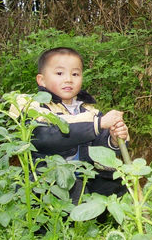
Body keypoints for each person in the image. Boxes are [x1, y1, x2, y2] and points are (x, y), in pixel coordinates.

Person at [10, 47, 129, 204]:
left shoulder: (89, 110)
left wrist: (113, 139)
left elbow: (98, 147)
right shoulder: (34, 106)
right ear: (42, 80)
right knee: (76, 190)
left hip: (85, 173)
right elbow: (46, 138)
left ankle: (108, 221)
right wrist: (97, 124)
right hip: (48, 178)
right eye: (59, 73)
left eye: (75, 74)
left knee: (117, 182)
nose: (68, 79)